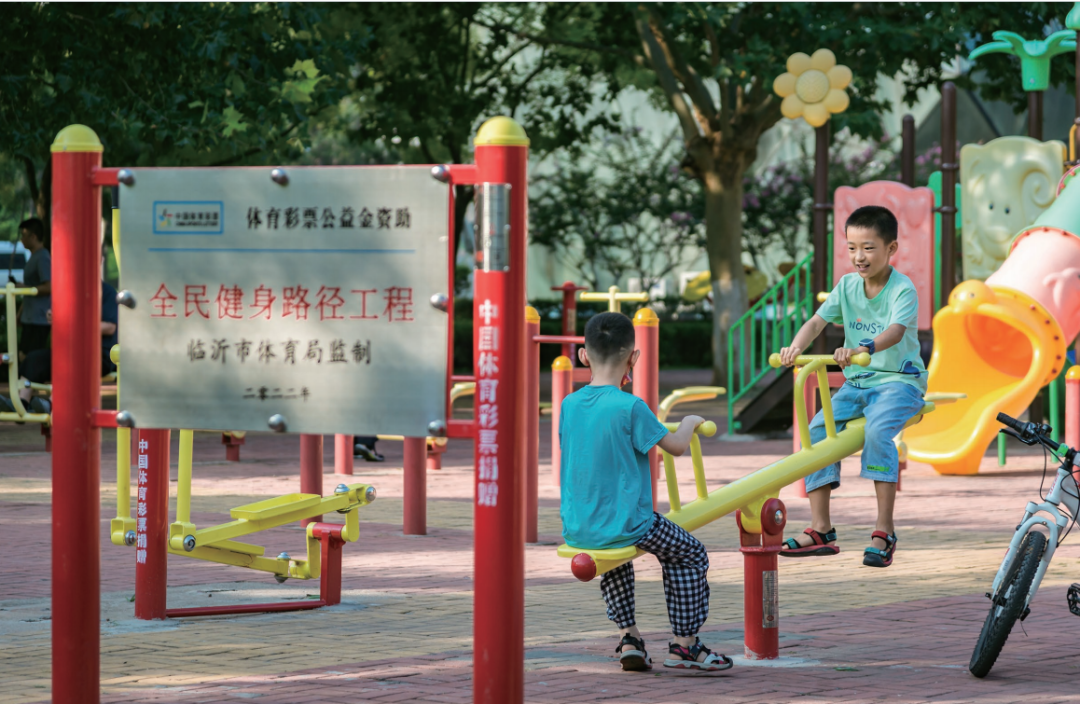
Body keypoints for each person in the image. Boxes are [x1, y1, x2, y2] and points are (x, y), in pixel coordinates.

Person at [559, 311, 733, 672]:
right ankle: (685, 645)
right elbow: (675, 446)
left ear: (583, 356)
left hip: (580, 525)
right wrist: (690, 421)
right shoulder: (631, 407)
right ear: (633, 358)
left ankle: (629, 638)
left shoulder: (568, 405)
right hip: (630, 522)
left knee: (616, 558)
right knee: (690, 554)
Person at [777, 205, 927, 568]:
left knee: (877, 432)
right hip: (857, 383)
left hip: (897, 382)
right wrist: (796, 345)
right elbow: (816, 321)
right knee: (815, 432)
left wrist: (863, 349)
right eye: (852, 248)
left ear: (891, 249)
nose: (859, 257)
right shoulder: (846, 286)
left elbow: (894, 332)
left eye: (869, 248)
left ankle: (884, 530)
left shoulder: (902, 289)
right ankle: (821, 529)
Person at [1, 280, 117, 414]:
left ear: (100, 260)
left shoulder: (106, 291)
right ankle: (21, 404)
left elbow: (110, 327)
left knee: (69, 360)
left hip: (100, 354)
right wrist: (52, 316)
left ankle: (52, 405)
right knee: (34, 358)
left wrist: (69, 321)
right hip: (69, 351)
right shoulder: (71, 290)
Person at [16, 218, 51, 358]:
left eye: (23, 236)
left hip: (39, 319)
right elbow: (30, 291)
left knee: (32, 359)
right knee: (22, 355)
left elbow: (49, 287)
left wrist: (24, 287)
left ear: (33, 236)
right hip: (29, 318)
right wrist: (20, 313)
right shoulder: (33, 257)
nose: (21, 239)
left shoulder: (42, 257)